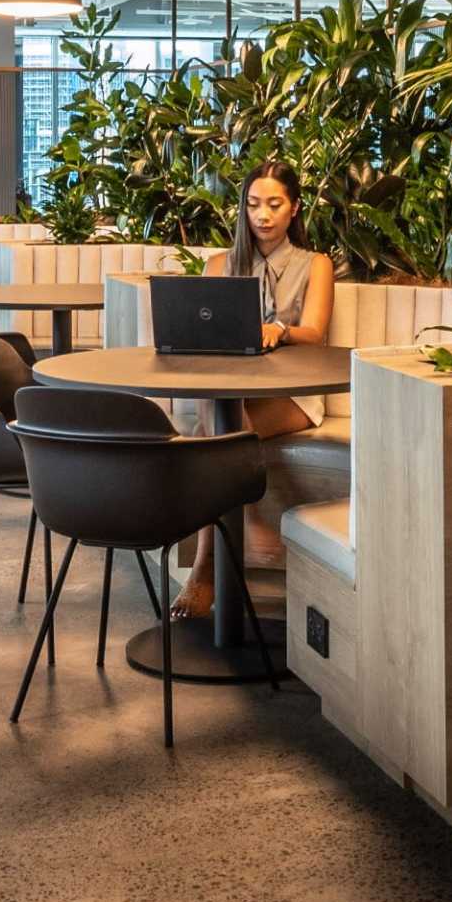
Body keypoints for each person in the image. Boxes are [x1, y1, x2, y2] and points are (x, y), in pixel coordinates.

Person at [171, 160, 340, 623]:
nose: (262, 215)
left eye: (274, 204)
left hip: (294, 393)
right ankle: (247, 519)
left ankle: (206, 567)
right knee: (219, 421)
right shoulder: (220, 265)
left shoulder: (315, 265)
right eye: (252, 205)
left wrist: (280, 331)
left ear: (294, 208)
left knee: (212, 439)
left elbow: (316, 333)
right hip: (231, 390)